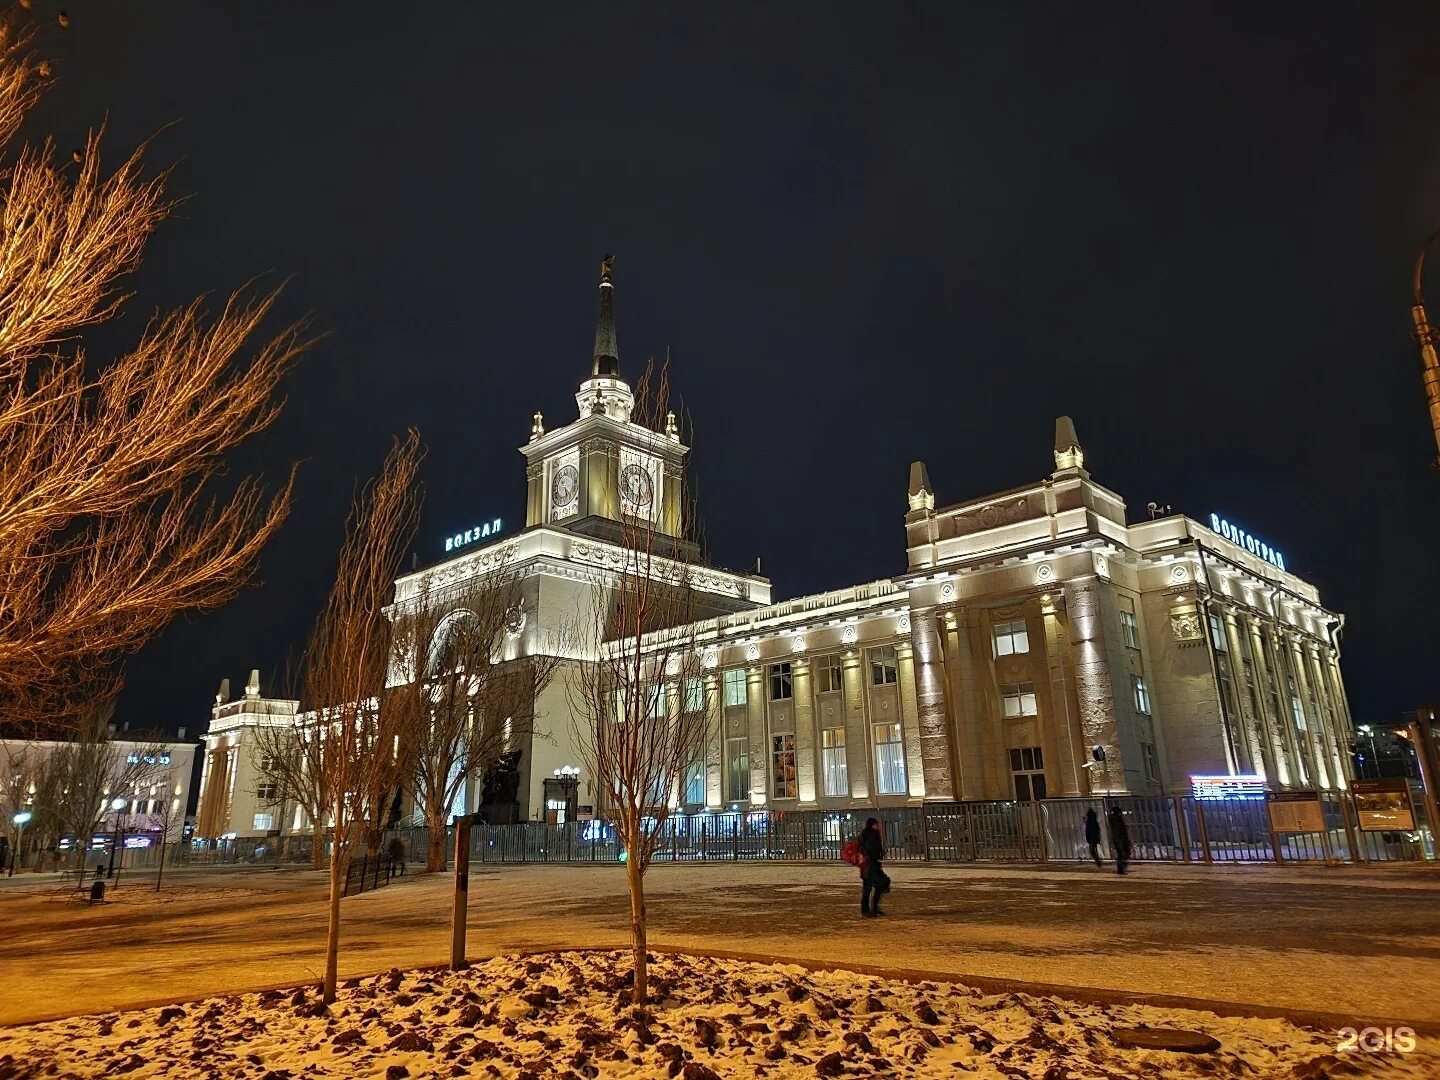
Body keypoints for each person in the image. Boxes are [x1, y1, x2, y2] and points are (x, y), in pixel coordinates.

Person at [858, 817, 888, 917]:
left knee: (873, 886)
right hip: (870, 864)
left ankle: (870, 909)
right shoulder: (872, 834)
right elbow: (871, 848)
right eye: (876, 824)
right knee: (871, 886)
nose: (878, 826)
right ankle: (870, 909)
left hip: (870, 864)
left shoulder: (867, 834)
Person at [1107, 805, 1131, 875]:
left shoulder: (1118, 820)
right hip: (1119, 839)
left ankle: (1121, 868)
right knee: (1122, 854)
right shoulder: (1116, 821)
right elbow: (1118, 831)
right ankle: (1120, 868)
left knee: (1124, 853)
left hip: (1121, 839)